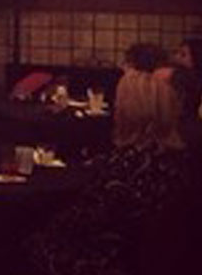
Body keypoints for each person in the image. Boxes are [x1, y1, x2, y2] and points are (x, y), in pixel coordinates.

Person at [29, 44, 191, 275]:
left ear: (128, 113)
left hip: (105, 262)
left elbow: (80, 224)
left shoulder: (125, 169)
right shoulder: (177, 161)